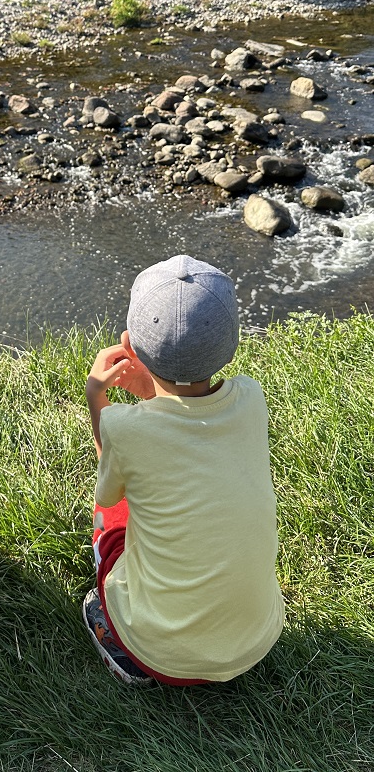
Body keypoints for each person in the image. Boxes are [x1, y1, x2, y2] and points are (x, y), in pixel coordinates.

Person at [82, 255, 284, 685]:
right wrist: (153, 393)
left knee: (110, 524)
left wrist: (96, 398)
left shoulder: (123, 427)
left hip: (162, 655)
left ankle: (120, 645)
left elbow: (109, 492)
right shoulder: (251, 397)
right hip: (257, 639)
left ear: (129, 345)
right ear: (231, 342)